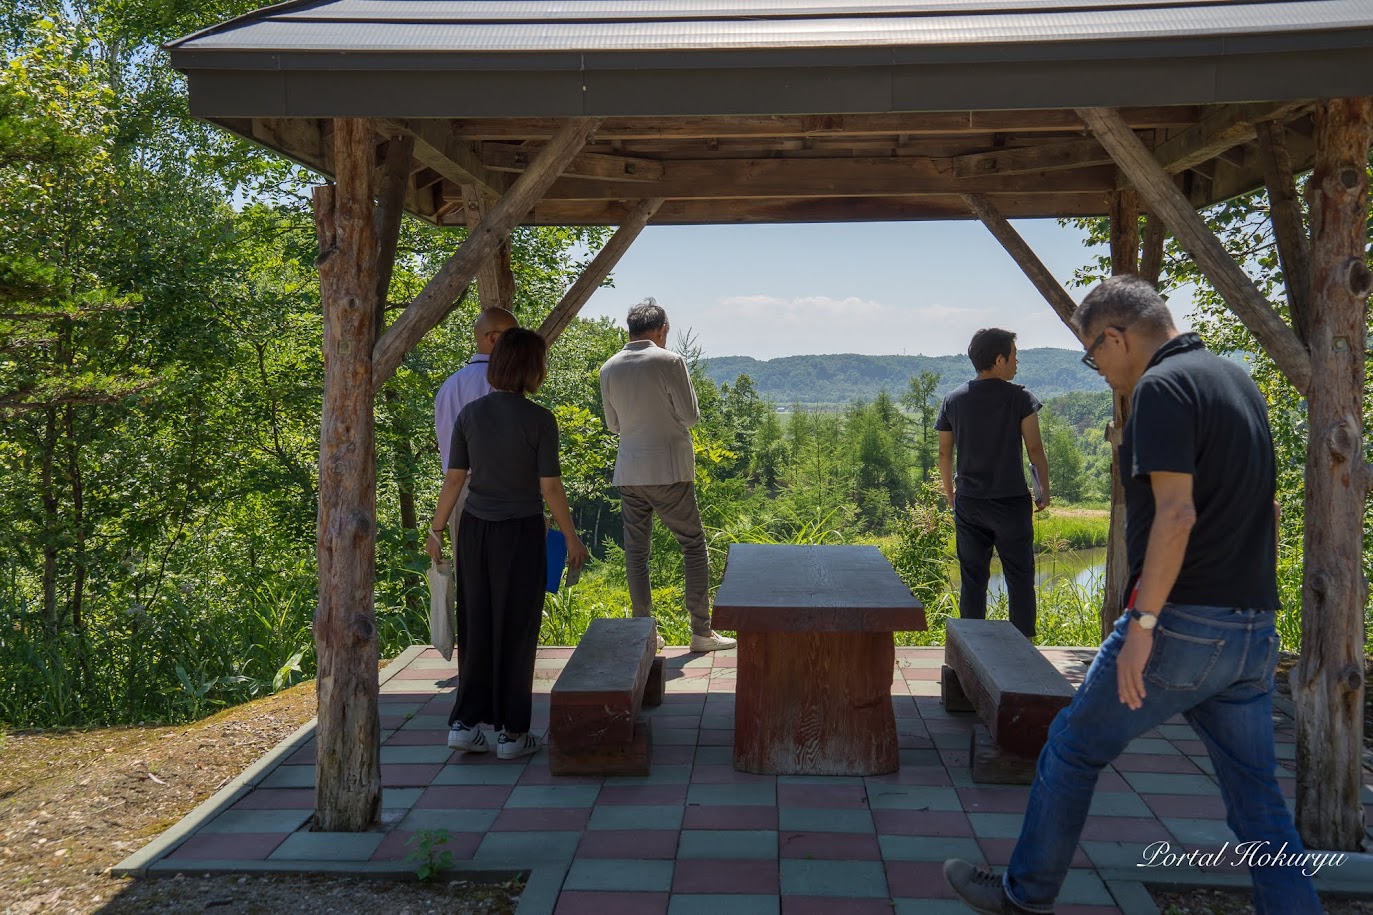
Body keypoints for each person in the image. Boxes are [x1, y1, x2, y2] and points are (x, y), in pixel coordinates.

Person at [943, 275, 1321, 914]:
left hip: (1180, 621)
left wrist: (1143, 623)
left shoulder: (1162, 389)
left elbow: (1176, 515)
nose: (1099, 369)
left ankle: (1024, 894)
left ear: (1116, 337)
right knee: (1258, 800)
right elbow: (1269, 508)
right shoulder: (1236, 380)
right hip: (1252, 625)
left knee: (1071, 747)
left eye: (1095, 354)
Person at [426, 328, 588, 759]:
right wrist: (571, 538)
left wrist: (436, 529)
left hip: (474, 531)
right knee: (517, 628)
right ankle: (512, 733)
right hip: (520, 532)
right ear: (530, 369)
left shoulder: (471, 415)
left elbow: (455, 479)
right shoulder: (539, 420)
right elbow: (550, 487)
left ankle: (464, 724)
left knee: (476, 623)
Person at [598, 299, 735, 654]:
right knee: (692, 545)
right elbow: (690, 416)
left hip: (628, 471)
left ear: (630, 330)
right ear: (661, 331)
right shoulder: (669, 361)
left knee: (636, 554)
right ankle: (700, 631)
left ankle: (645, 633)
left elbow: (613, 426)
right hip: (668, 470)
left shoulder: (608, 368)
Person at [936, 327, 1050, 639]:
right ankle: (1023, 648)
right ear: (999, 360)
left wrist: (951, 495)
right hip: (1010, 501)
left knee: (973, 579)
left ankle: (971, 650)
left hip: (969, 503)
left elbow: (945, 453)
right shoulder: (1021, 398)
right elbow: (1035, 449)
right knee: (1020, 576)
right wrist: (1043, 490)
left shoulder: (953, 400)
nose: (1017, 363)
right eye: (1015, 356)